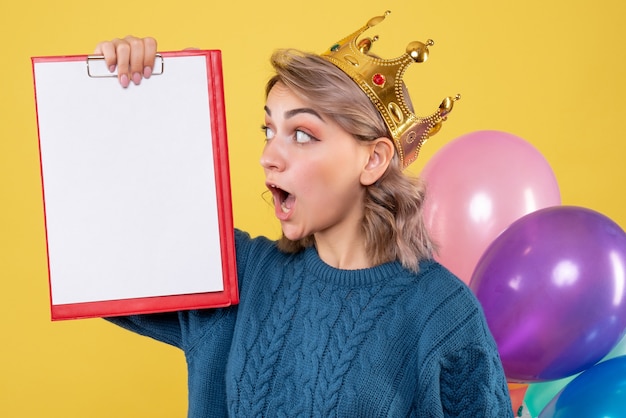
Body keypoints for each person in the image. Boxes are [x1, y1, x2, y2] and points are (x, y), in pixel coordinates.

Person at [95, 11, 514, 418]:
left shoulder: (443, 315)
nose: (268, 157)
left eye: (301, 134)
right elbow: (95, 261)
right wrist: (143, 100)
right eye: (268, 130)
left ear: (373, 159)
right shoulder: (238, 273)